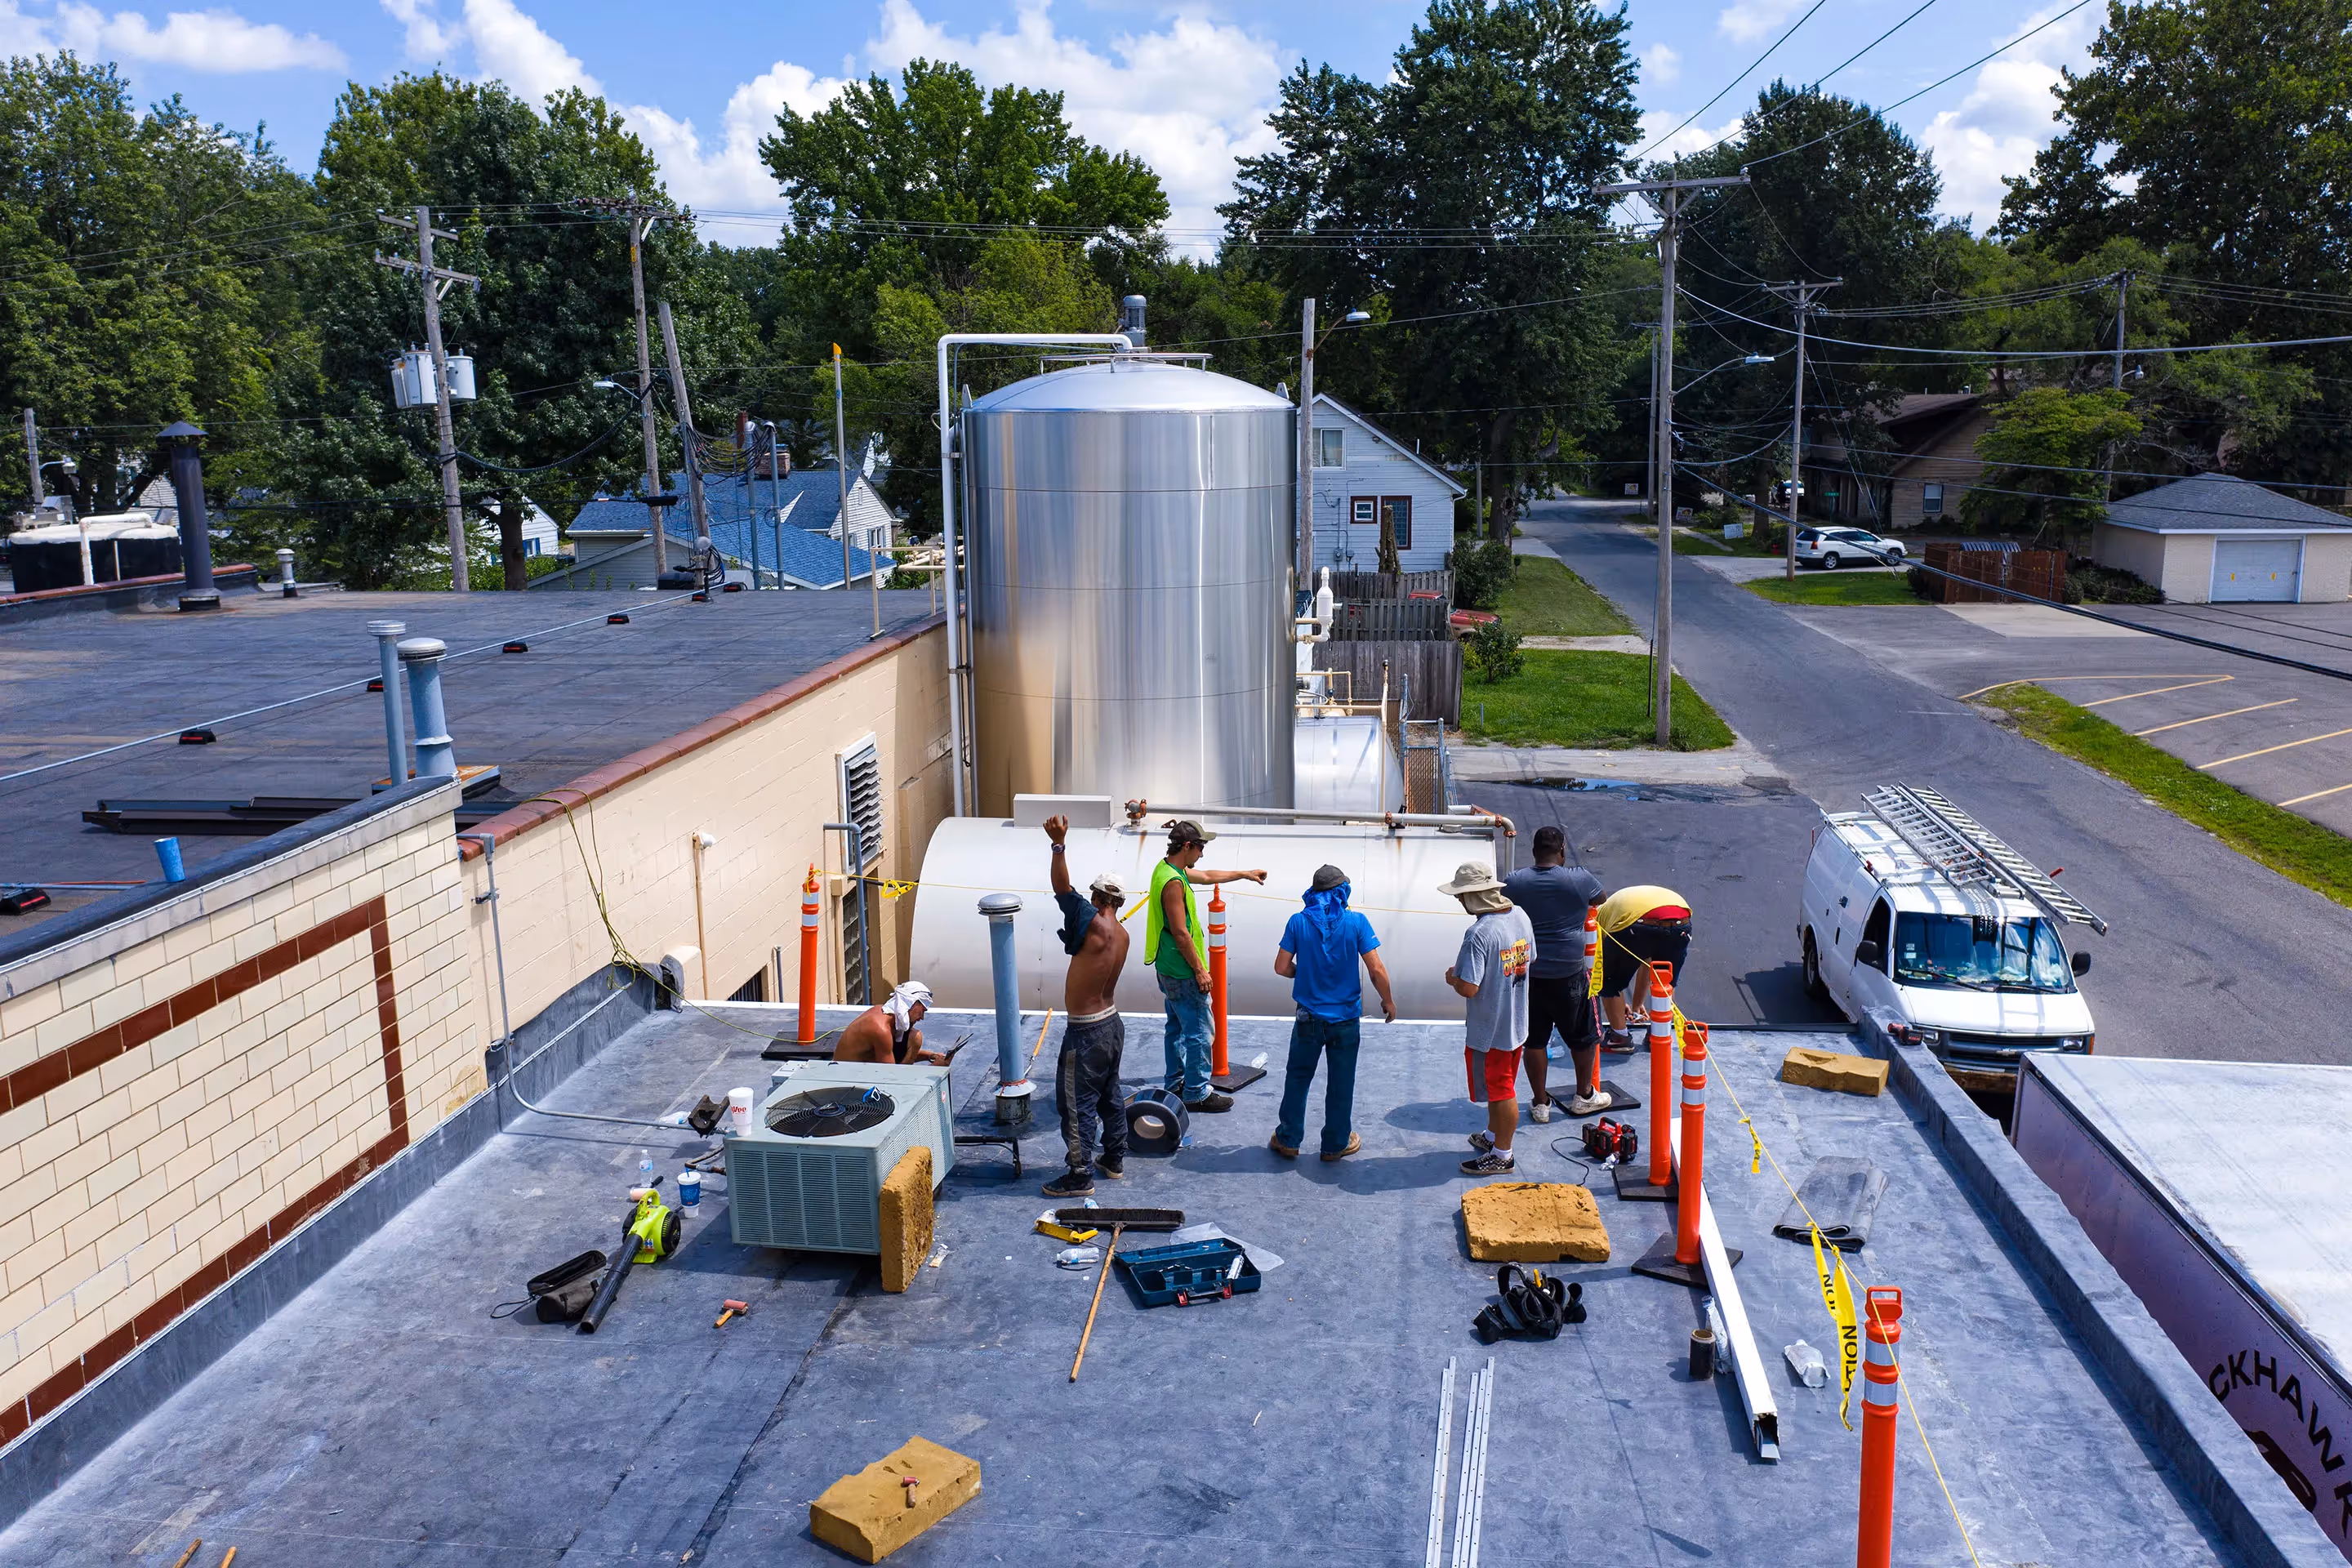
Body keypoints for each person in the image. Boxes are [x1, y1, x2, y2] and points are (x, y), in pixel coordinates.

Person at [1269, 865, 1396, 1162]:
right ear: (1342, 893)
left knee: (1298, 1077)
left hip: (1308, 1018)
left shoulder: (1297, 922)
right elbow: (1375, 969)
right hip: (1346, 1020)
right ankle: (1336, 1144)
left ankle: (1288, 1139)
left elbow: (1281, 967)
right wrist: (1388, 1000)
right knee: (1341, 1081)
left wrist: (1304, 974)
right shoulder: (1357, 923)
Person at [1145, 819, 1266, 1112]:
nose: (1202, 853)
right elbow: (1181, 933)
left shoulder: (1168, 870)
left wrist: (1244, 874)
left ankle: (1175, 1083)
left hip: (1167, 966)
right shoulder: (1174, 883)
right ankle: (1196, 1092)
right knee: (1200, 1031)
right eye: (1200, 847)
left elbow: (1208, 875)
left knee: (1175, 1028)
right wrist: (1200, 970)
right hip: (1183, 970)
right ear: (1187, 846)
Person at [1040, 815, 1131, 1198]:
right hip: (1112, 1024)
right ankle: (1113, 1158)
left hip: (1088, 1031)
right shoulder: (1123, 934)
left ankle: (1080, 1175)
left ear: (1096, 899)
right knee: (1110, 1093)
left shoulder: (1094, 925)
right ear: (1119, 901)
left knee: (1076, 1103)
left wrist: (1059, 843)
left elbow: (1062, 888)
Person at [1503, 826, 1609, 1119]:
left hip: (1530, 977)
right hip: (1570, 975)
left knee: (1534, 1040)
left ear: (1534, 852)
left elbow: (1503, 905)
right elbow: (1600, 898)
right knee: (1584, 1037)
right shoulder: (1580, 879)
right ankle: (1584, 1095)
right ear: (1562, 852)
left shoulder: (1515, 881)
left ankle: (1540, 1103)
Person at [1440, 862, 1534, 1178]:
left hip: (1491, 1030)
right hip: (1518, 1022)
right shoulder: (1519, 915)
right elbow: (1529, 959)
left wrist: (1453, 978)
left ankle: (1503, 1155)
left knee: (1502, 1090)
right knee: (1501, 1087)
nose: (1459, 901)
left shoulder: (1478, 933)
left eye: (1460, 895)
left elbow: (1469, 987)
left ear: (1472, 896)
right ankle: (1494, 1138)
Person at [1596, 884, 1694, 1051]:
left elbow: (1598, 973)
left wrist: (1616, 1001)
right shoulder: (1617, 909)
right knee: (1665, 980)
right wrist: (1635, 1007)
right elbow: (1648, 961)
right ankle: (1658, 1034)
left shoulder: (1598, 921)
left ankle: (1619, 1038)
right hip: (1681, 922)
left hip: (1641, 925)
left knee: (1608, 980)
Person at [831, 981, 947, 1065]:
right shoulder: (880, 1029)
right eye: (922, 1011)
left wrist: (930, 1056)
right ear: (910, 1004)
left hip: (866, 1066)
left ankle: (907, 1071)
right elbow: (889, 1077)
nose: (922, 1017)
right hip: (847, 1077)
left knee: (915, 1037)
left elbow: (888, 1052)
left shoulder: (885, 1014)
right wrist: (936, 1067)